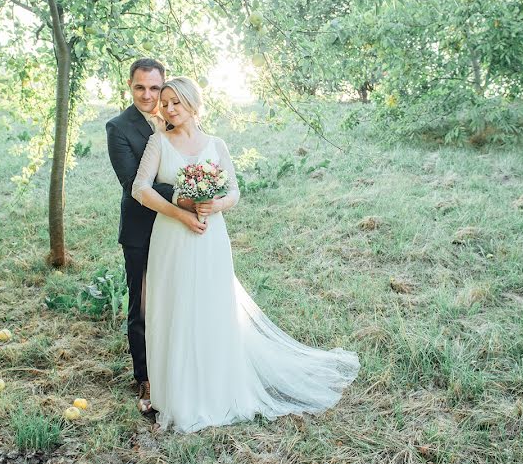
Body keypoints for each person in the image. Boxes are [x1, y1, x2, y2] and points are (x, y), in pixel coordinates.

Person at [132, 76, 359, 433]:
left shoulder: (216, 144)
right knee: (176, 306)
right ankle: (178, 395)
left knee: (211, 306)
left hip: (211, 236)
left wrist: (214, 204)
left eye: (176, 101)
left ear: (193, 103)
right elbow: (139, 188)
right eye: (165, 103)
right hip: (172, 236)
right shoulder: (158, 142)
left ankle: (217, 389)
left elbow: (235, 190)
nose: (169, 108)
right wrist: (180, 211)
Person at [106, 59, 206, 414]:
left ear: (164, 87)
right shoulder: (118, 127)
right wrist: (190, 193)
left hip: (179, 230)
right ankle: (146, 378)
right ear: (129, 87)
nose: (148, 96)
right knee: (144, 305)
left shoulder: (176, 114)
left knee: (182, 299)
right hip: (142, 228)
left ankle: (183, 369)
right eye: (139, 88)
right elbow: (133, 182)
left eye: (154, 88)